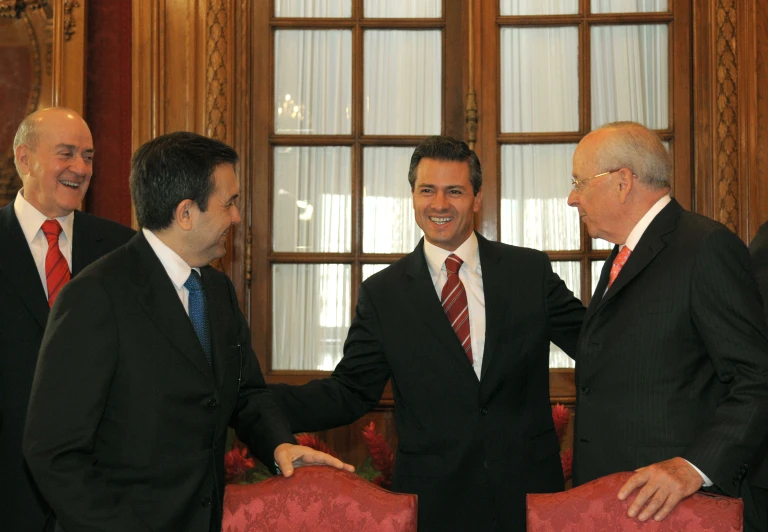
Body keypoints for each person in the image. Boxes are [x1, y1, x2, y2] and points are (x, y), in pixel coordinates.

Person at [22, 132, 352, 532]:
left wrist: (278, 443)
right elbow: (54, 452)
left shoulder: (216, 290)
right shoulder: (96, 296)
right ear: (185, 213)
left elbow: (245, 393)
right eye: (228, 202)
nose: (236, 216)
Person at [269, 136, 586, 531]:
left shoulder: (529, 272)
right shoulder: (383, 293)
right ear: (413, 197)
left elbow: (596, 346)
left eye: (454, 191)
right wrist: (253, 402)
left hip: (528, 497)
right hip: (433, 503)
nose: (439, 204)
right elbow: (350, 392)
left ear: (476, 197)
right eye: (427, 191)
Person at [567, 121, 768, 531]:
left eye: (580, 183)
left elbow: (756, 376)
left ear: (623, 182)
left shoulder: (704, 246)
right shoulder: (621, 257)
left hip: (682, 511)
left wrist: (695, 468)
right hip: (617, 504)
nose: (573, 198)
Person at [0, 107, 135, 531]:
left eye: (89, 156)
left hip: (101, 496)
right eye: (67, 154)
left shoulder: (123, 250)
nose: (80, 167)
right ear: (25, 159)